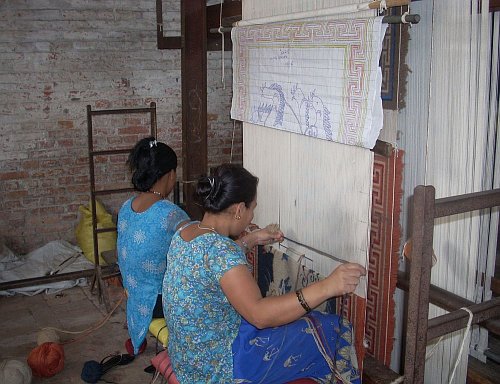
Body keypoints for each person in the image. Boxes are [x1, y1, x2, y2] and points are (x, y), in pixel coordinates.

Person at [162, 163, 367, 383]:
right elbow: (260, 315)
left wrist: (251, 239)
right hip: (217, 368)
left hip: (187, 358)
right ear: (239, 209)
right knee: (333, 328)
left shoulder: (186, 232)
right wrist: (328, 286)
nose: (252, 216)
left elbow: (213, 263)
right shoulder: (222, 251)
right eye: (252, 208)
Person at [117, 137, 189, 355]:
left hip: (133, 292)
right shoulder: (169, 212)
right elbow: (201, 242)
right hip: (157, 301)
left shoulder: (126, 206)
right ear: (171, 174)